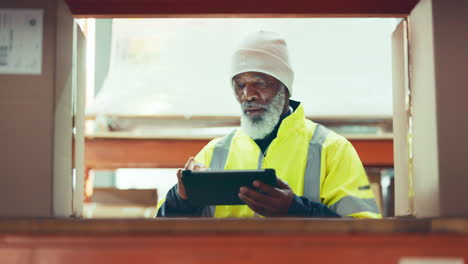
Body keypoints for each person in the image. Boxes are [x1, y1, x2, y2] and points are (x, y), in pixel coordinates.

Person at [156, 30, 381, 218]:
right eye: (239, 84)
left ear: (284, 87)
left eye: (260, 83)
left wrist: (295, 210)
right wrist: (181, 198)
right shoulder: (214, 153)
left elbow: (366, 235)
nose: (248, 95)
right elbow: (164, 235)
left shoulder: (332, 149)